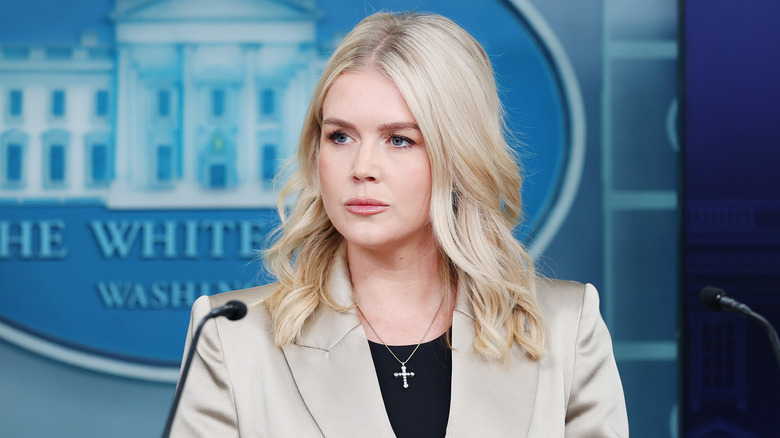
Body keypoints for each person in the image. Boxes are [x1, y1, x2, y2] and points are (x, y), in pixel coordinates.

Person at [171, 11, 628, 437]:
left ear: (460, 154)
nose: (362, 166)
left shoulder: (566, 328)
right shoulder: (232, 337)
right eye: (340, 136)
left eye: (399, 140)